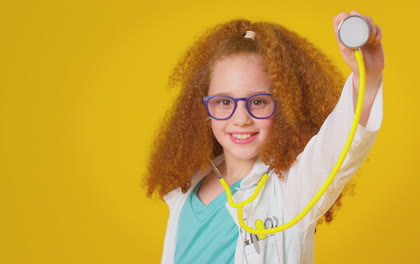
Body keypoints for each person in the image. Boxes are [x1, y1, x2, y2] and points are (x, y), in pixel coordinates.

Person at [144, 10, 384, 264]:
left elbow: (341, 143)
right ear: (203, 108)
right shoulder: (188, 185)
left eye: (258, 102)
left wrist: (366, 79)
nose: (240, 118)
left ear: (284, 108)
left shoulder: (292, 189)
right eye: (224, 101)